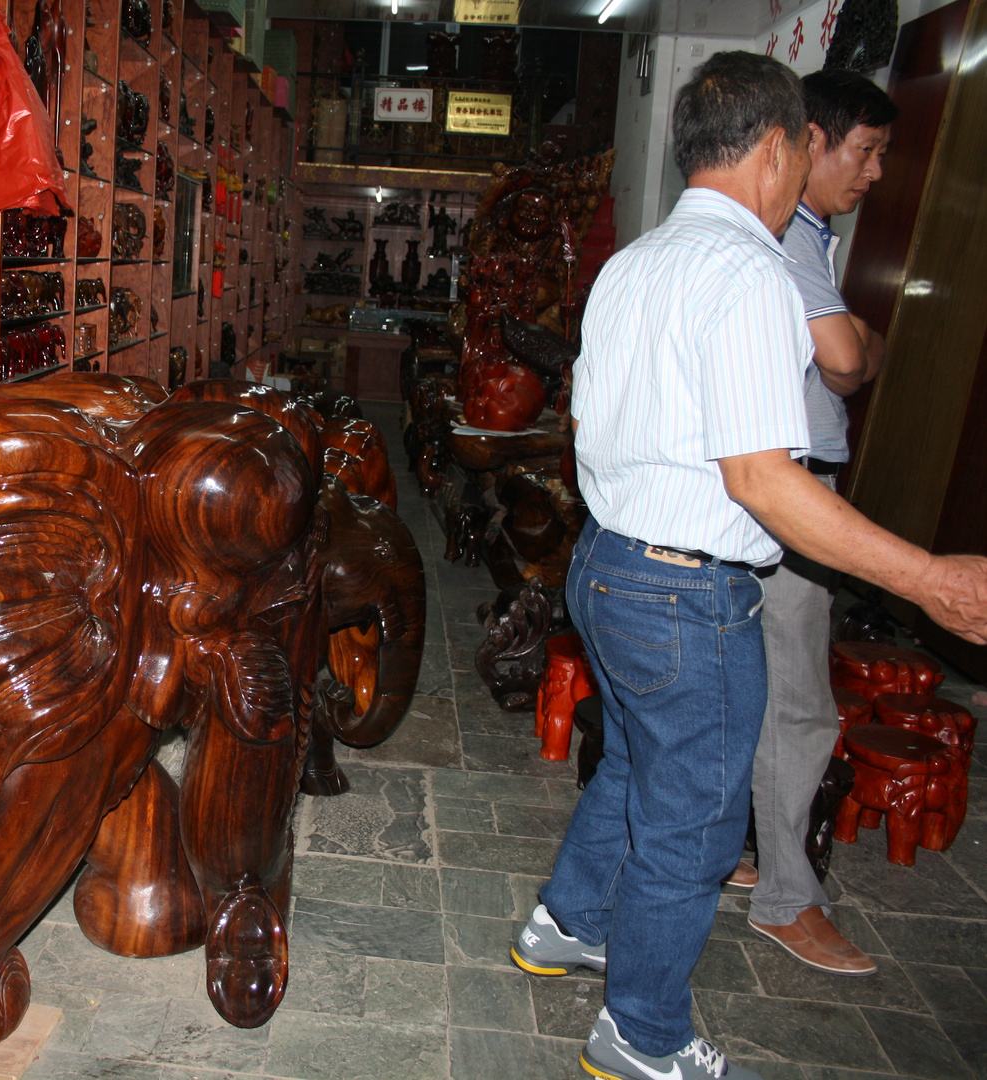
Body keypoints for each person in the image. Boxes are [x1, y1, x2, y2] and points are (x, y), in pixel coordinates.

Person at [508, 51, 987, 1080]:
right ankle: (643, 1032)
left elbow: (589, 421)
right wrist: (929, 579)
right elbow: (765, 483)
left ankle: (565, 924)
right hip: (685, 590)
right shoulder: (751, 277)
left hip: (607, 565)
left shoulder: (631, 265)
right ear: (781, 147)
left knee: (640, 763)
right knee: (698, 822)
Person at [737, 68, 897, 978]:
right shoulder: (790, 236)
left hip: (797, 484)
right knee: (800, 706)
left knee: (768, 696)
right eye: (864, 152)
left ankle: (753, 861)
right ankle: (789, 900)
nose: (873, 173)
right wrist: (861, 346)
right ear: (810, 142)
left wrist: (854, 349)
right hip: (791, 492)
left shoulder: (810, 236)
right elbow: (845, 359)